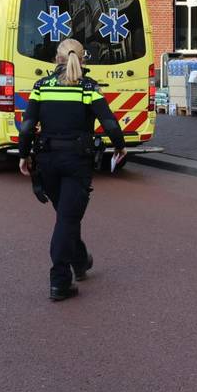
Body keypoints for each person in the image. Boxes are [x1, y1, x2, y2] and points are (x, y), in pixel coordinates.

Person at [18, 38, 126, 302]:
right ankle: (60, 281)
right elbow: (109, 122)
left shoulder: (41, 86)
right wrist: (120, 147)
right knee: (67, 219)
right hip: (76, 161)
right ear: (83, 59)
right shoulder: (88, 88)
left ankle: (79, 261)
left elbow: (28, 124)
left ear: (57, 59)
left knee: (66, 215)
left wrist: (23, 155)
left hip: (47, 161)